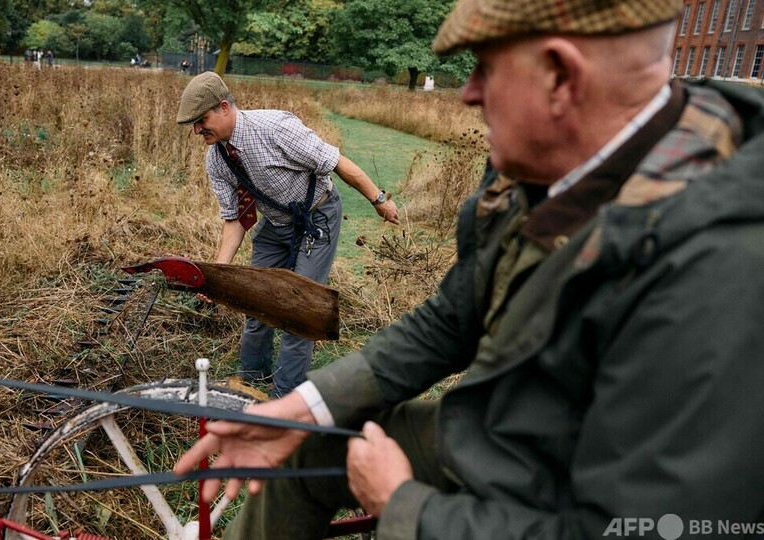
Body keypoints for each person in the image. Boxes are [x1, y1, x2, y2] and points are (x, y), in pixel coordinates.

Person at [175, 0, 764, 538]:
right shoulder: (532, 169)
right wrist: (308, 408)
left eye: (485, 67)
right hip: (500, 426)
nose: (468, 93)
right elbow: (454, 316)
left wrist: (406, 506)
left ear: (561, 76)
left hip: (568, 485)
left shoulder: (724, 270)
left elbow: (656, 523)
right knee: (308, 451)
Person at [176, 71, 399, 398]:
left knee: (298, 312)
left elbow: (336, 162)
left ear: (224, 107)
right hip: (276, 224)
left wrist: (379, 201)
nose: (197, 130)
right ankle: (252, 384)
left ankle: (284, 401)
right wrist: (215, 275)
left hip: (317, 216)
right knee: (257, 303)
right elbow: (236, 219)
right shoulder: (218, 161)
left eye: (201, 120)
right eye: (193, 124)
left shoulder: (276, 129)